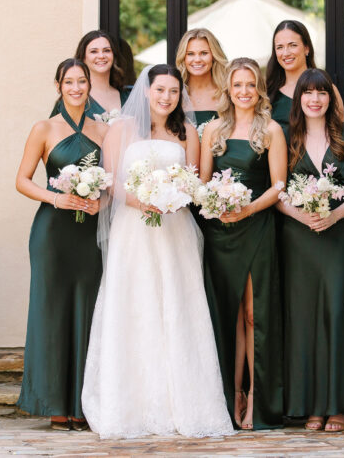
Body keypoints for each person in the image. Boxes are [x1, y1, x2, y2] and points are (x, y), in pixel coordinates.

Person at [81, 65, 233, 439]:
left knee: (176, 306)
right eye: (160, 90)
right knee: (135, 305)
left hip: (175, 230)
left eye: (173, 92)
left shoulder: (187, 133)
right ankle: (130, 404)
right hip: (133, 230)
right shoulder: (121, 129)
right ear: (146, 92)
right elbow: (112, 181)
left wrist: (174, 196)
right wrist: (142, 201)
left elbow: (195, 180)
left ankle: (182, 401)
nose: (166, 97)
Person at [276, 68, 344, 433]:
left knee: (334, 314)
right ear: (298, 99)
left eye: (322, 93)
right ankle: (310, 407)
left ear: (330, 99)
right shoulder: (287, 138)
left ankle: (338, 406)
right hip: (298, 238)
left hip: (338, 238)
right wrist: (303, 217)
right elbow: (277, 191)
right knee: (303, 319)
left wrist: (333, 215)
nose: (315, 99)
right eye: (308, 93)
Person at [15, 59, 107, 430]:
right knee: (51, 313)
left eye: (81, 81)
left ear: (89, 86)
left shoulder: (103, 131)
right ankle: (54, 402)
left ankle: (82, 403)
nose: (75, 88)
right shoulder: (44, 128)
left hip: (90, 234)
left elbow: (112, 179)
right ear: (58, 85)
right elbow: (22, 180)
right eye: (68, 82)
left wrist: (103, 199)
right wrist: (57, 198)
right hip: (53, 231)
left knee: (88, 310)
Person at [199, 58, 286, 430]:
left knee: (253, 315)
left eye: (251, 85)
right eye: (238, 85)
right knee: (228, 315)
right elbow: (201, 183)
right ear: (228, 90)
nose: (244, 92)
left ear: (259, 89)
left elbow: (279, 185)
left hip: (256, 227)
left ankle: (256, 400)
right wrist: (216, 204)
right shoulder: (213, 130)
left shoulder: (272, 131)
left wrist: (247, 207)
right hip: (220, 232)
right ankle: (231, 394)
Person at [175, 27, 228, 128]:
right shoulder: (174, 94)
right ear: (183, 58)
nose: (197, 59)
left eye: (204, 53)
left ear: (214, 56)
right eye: (190, 54)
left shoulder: (227, 93)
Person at [75, 30, 131, 119]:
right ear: (83, 58)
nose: (101, 56)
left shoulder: (128, 97)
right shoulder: (74, 96)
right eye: (94, 51)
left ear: (114, 56)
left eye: (107, 50)